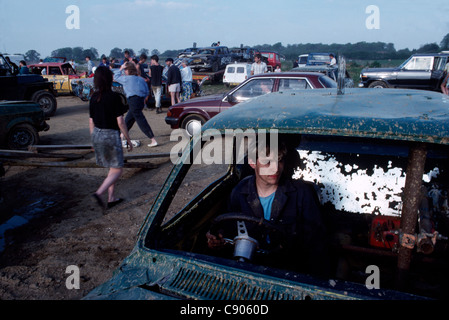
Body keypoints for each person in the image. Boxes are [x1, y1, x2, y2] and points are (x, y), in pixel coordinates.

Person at [206, 138, 329, 276]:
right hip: (249, 268)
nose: (275, 168)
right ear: (252, 162)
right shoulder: (238, 191)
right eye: (267, 162)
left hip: (289, 272)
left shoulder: (302, 194)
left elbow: (317, 245)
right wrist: (217, 241)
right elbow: (228, 230)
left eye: (280, 160)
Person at [89, 66, 133, 211]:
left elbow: (91, 122)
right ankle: (99, 193)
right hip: (110, 136)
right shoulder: (114, 97)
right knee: (118, 170)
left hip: (97, 134)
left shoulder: (93, 97)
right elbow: (120, 122)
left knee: (112, 168)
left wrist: (93, 141)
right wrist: (128, 138)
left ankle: (111, 198)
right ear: (109, 79)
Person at [113, 62, 158, 148]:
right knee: (129, 119)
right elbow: (146, 91)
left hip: (133, 100)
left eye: (125, 70)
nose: (124, 71)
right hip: (140, 100)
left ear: (128, 70)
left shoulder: (126, 79)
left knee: (140, 120)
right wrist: (144, 99)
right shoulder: (141, 79)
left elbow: (115, 77)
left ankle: (153, 139)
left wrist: (121, 68)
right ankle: (121, 136)